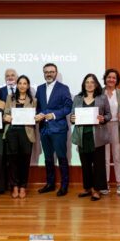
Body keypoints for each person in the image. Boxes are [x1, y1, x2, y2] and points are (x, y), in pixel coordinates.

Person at [71, 74, 111, 201]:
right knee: (86, 164)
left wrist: (103, 118)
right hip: (82, 136)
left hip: (97, 136)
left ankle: (96, 189)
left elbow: (109, 114)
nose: (89, 84)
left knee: (98, 164)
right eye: (87, 82)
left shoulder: (102, 98)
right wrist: (72, 119)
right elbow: (73, 115)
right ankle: (87, 188)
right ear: (84, 84)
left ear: (96, 84)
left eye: (92, 82)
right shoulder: (77, 98)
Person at [35, 63, 72, 196]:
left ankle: (64, 186)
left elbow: (68, 107)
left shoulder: (63, 88)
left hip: (58, 129)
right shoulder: (39, 89)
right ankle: (50, 184)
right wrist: (38, 114)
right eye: (46, 72)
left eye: (51, 71)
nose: (49, 74)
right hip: (44, 129)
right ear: (43, 73)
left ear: (56, 73)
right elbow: (38, 107)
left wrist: (54, 115)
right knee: (48, 158)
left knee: (62, 158)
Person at [3, 75, 37, 199]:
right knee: (13, 161)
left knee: (25, 161)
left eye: (25, 83)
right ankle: (15, 186)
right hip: (12, 132)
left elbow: (35, 117)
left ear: (28, 86)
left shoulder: (33, 100)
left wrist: (36, 118)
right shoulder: (10, 98)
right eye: (20, 83)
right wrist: (6, 117)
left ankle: (23, 186)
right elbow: (5, 114)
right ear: (17, 85)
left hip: (26, 133)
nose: (22, 85)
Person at [102, 69, 120, 195]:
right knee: (105, 157)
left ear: (117, 80)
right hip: (103, 127)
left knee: (117, 156)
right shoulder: (99, 92)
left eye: (114, 78)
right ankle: (105, 183)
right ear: (105, 78)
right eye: (109, 77)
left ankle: (119, 183)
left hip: (117, 126)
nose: (111, 79)